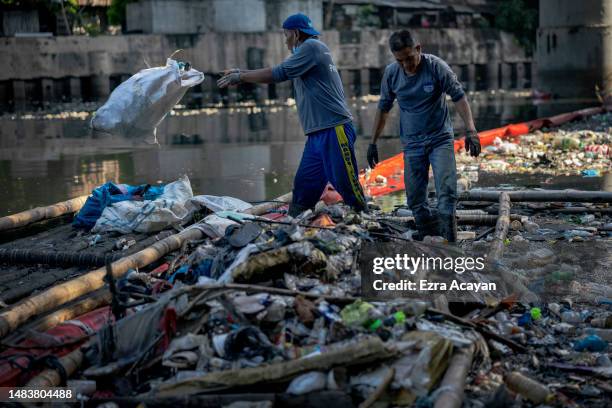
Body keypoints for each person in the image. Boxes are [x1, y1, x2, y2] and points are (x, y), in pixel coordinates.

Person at [217, 13, 367, 216]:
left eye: (286, 34)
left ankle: (365, 215)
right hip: (316, 134)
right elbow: (280, 70)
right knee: (305, 186)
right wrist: (239, 71)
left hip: (334, 128)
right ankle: (296, 220)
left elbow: (277, 74)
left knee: (344, 182)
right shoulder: (307, 52)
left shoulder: (312, 47)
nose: (285, 39)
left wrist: (241, 77)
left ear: (296, 34)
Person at [367, 30, 481, 242]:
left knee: (446, 191)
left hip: (440, 139)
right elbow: (383, 109)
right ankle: (430, 238)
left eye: (409, 58)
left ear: (418, 49)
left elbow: (459, 97)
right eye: (400, 61)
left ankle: (450, 241)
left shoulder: (436, 67)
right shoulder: (392, 74)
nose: (406, 66)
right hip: (412, 144)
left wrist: (471, 130)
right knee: (415, 199)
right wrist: (372, 142)